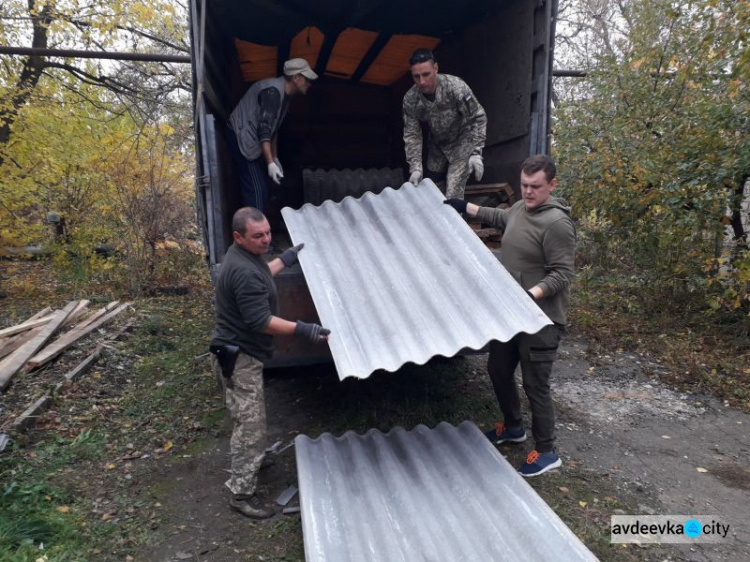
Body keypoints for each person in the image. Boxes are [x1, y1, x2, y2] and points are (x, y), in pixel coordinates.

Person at [444, 155, 575, 477]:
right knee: (498, 368)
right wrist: (464, 207)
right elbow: (500, 217)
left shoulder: (557, 224)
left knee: (535, 385)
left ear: (552, 185)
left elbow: (562, 274)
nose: (528, 192)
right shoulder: (520, 209)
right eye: (524, 185)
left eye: (536, 187)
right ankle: (513, 427)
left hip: (541, 321)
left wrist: (529, 296)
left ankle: (547, 451)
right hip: (512, 316)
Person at [210, 206, 330, 518]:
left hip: (236, 351)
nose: (266, 240)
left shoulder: (243, 257)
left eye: (267, 233)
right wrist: (303, 329)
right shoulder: (243, 272)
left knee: (244, 417)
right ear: (238, 237)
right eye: (258, 236)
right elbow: (261, 321)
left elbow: (264, 272)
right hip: (240, 357)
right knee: (251, 426)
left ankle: (252, 459)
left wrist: (286, 258)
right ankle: (241, 493)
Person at [225, 58, 318, 213]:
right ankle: (253, 233)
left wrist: (275, 158)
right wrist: (269, 163)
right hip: (242, 137)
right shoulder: (273, 93)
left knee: (262, 188)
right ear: (296, 78)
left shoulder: (285, 96)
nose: (309, 83)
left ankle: (257, 229)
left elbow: (273, 129)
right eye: (306, 79)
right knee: (256, 190)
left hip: (253, 138)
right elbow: (264, 129)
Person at [402, 48, 487, 199]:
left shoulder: (456, 87)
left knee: (453, 192)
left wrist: (476, 152)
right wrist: (415, 167)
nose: (422, 81)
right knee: (432, 191)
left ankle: (455, 220)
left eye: (426, 74)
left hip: (461, 142)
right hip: (437, 146)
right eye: (416, 76)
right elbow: (412, 134)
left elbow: (477, 117)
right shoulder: (411, 99)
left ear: (435, 68)